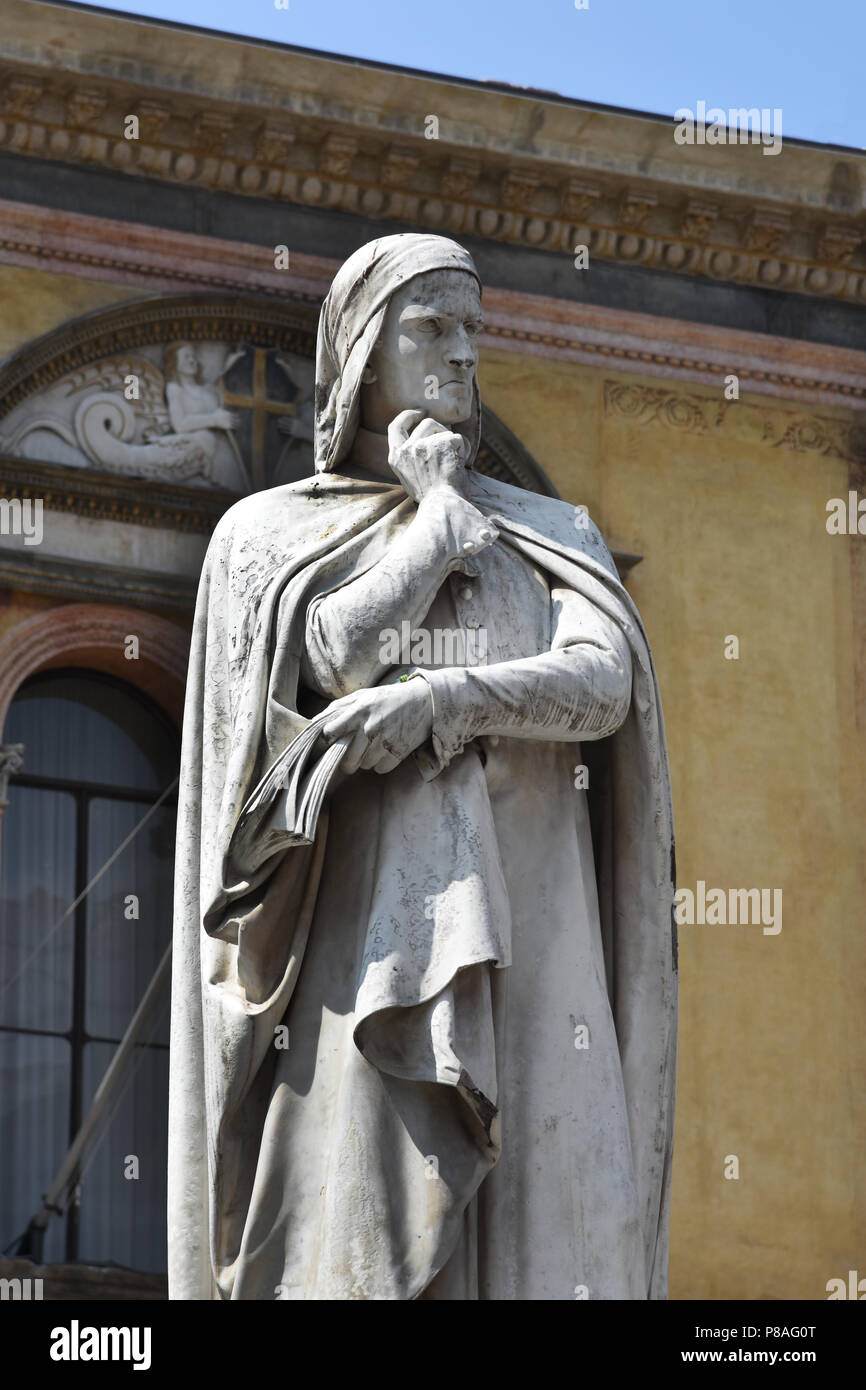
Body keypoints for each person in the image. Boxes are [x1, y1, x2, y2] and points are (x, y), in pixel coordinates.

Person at [168, 233, 677, 1300]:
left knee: (550, 1234)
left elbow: (601, 683)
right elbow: (331, 654)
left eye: (472, 330)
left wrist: (438, 701)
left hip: (540, 957)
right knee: (363, 1252)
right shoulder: (267, 534)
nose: (460, 355)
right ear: (362, 351)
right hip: (361, 967)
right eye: (430, 328)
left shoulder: (548, 530)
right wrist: (439, 526)